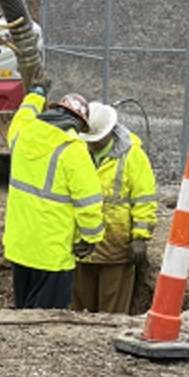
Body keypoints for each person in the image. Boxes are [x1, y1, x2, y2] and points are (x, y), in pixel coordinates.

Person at [4, 87, 106, 309]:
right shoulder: (73, 150)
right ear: (79, 124)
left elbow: (23, 113)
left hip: (19, 246)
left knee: (23, 311)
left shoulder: (22, 132)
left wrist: (35, 94)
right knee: (48, 322)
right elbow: (88, 203)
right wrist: (91, 238)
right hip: (52, 253)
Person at [71, 102, 158, 314]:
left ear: (108, 132)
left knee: (113, 309)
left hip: (116, 246)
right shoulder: (77, 152)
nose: (91, 144)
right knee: (79, 306)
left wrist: (140, 237)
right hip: (81, 245)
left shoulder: (133, 157)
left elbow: (144, 198)